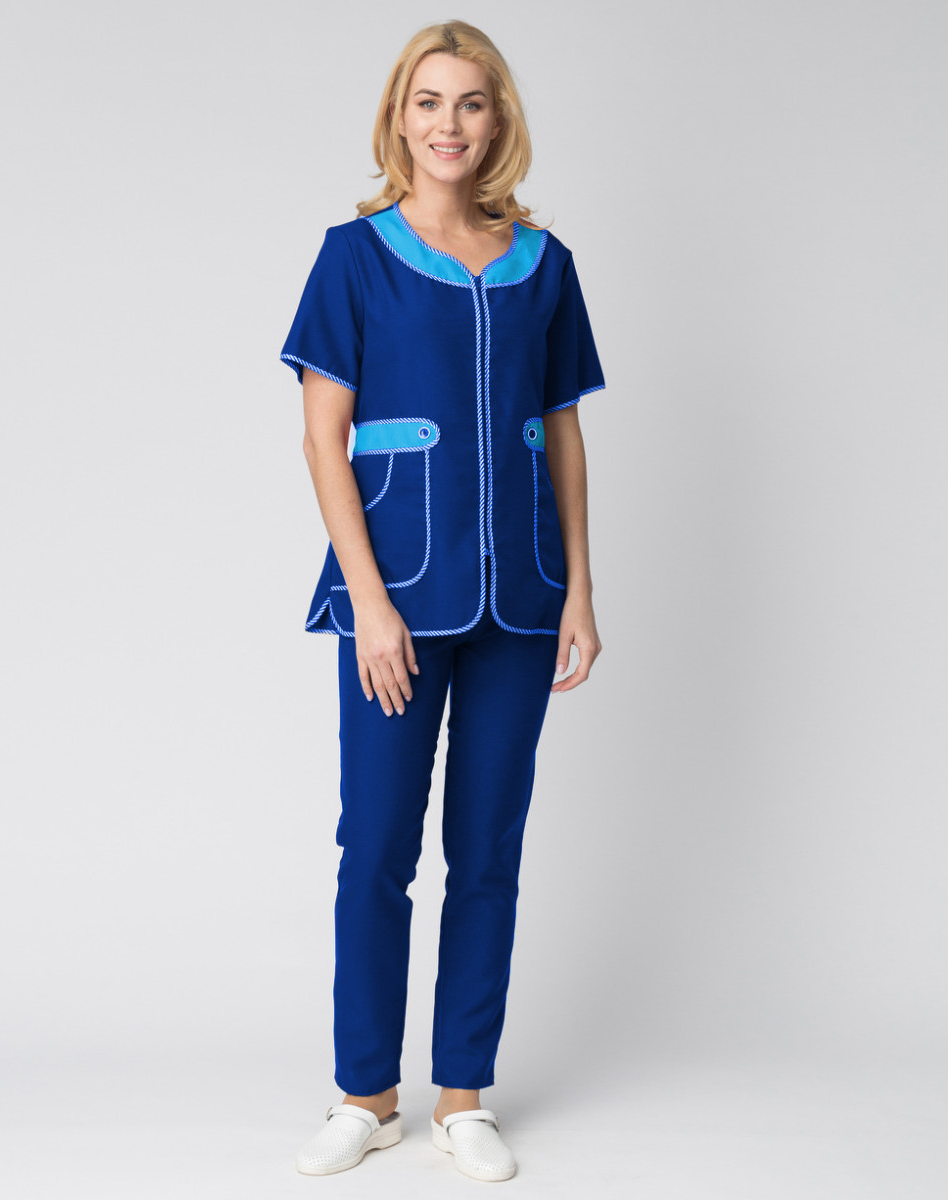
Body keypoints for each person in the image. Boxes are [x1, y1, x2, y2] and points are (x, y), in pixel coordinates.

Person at [279, 20, 605, 1181]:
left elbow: (561, 432)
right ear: (398, 117)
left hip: (520, 598)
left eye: (470, 102)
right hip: (396, 601)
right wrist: (368, 604)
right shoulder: (352, 257)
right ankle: (365, 1096)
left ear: (497, 119)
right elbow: (322, 439)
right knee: (374, 844)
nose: (448, 124)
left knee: (487, 848)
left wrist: (578, 587)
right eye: (428, 102)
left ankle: (463, 1094)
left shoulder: (543, 263)